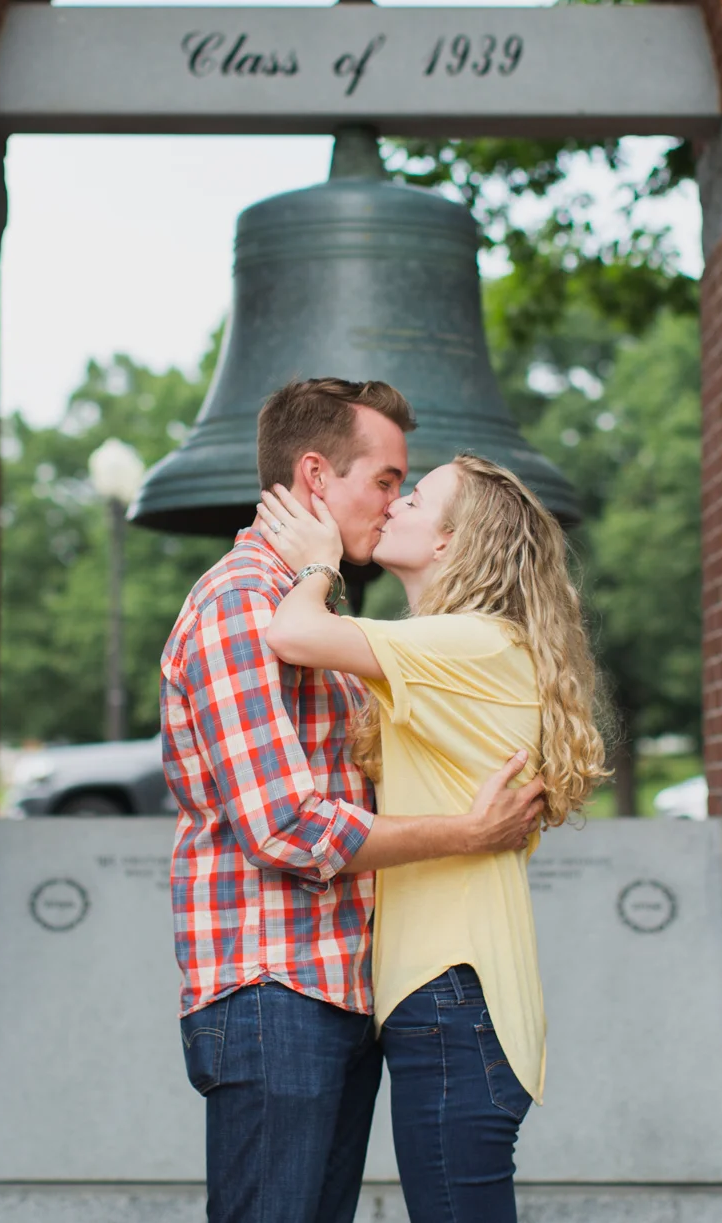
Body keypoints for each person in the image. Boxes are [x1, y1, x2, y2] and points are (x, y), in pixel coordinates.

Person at [161, 379, 548, 1223]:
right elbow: (285, 823)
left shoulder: (314, 608)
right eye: (384, 480)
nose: (391, 501)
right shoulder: (241, 604)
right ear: (314, 477)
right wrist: (468, 830)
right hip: (273, 988)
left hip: (338, 991)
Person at [255, 454, 606, 1223]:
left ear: (452, 540)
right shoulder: (460, 648)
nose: (394, 506)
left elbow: (293, 632)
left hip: (454, 992)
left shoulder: (472, 641)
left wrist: (317, 563)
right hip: (450, 995)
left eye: (413, 498)